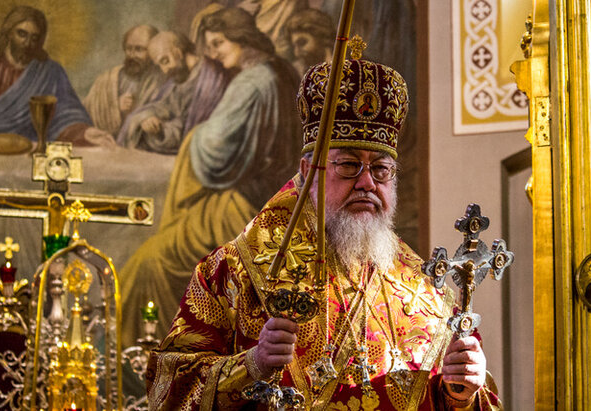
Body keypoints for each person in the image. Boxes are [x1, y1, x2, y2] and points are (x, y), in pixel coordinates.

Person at [146, 54, 502, 409]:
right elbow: (169, 387)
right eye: (348, 164)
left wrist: (461, 394)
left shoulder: (427, 293)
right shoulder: (234, 271)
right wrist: (251, 365)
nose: (366, 182)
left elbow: (470, 398)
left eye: (381, 169)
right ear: (309, 170)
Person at [119, 7, 301, 347]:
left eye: (218, 43)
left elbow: (214, 149)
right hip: (275, 203)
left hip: (242, 205)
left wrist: (192, 139)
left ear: (242, 38)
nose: (213, 53)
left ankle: (152, 354)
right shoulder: (285, 72)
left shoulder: (253, 80)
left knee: (150, 261)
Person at [0, 6, 91, 142]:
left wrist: (86, 133)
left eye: (34, 38)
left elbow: (68, 112)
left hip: (31, 148)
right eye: (22, 34)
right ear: (9, 33)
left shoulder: (51, 72)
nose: (27, 43)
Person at [116, 30, 230, 154]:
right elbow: (164, 105)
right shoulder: (178, 78)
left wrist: (160, 129)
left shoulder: (211, 79)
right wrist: (146, 117)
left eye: (165, 61)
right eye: (160, 65)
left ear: (178, 53)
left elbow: (190, 127)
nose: (164, 71)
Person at [83, 24, 164, 136]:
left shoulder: (163, 80)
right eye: (128, 49)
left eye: (139, 49)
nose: (132, 55)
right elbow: (86, 111)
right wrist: (115, 106)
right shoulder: (106, 80)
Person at [285, 8, 335, 76]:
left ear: (322, 38)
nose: (296, 53)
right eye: (294, 46)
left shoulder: (346, 68)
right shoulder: (297, 71)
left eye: (302, 43)